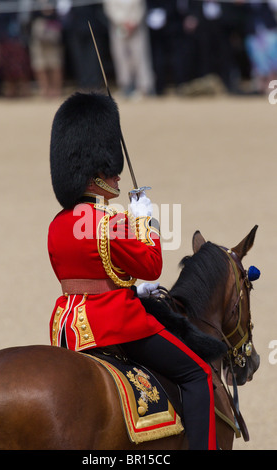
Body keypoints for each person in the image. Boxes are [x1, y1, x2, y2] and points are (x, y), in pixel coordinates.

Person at [48, 91, 217, 450]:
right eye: (113, 171)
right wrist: (146, 221)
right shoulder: (113, 222)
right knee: (198, 373)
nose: (119, 178)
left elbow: (88, 274)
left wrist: (129, 289)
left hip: (68, 327)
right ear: (98, 173)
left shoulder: (59, 223)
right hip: (113, 323)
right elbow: (152, 265)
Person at [103, 0, 155, 97]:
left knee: (140, 56)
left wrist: (133, 22)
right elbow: (109, 8)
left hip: (136, 27)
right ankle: (126, 86)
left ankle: (144, 87)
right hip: (117, 27)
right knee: (120, 56)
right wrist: (121, 22)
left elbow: (141, 7)